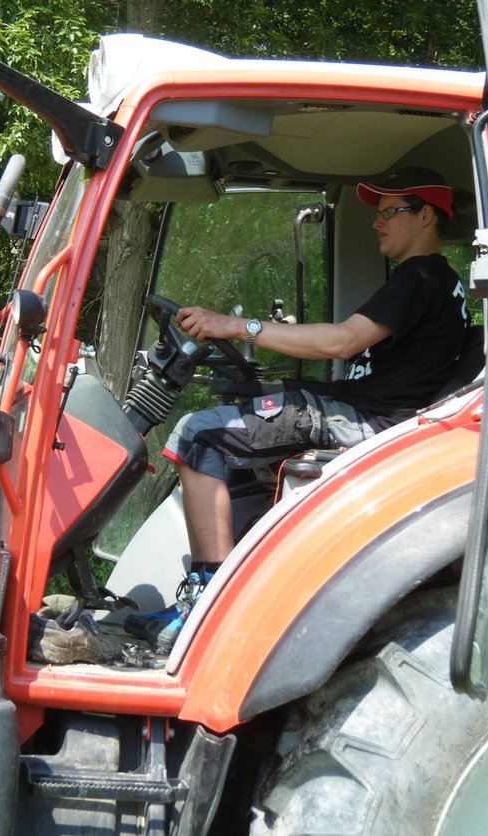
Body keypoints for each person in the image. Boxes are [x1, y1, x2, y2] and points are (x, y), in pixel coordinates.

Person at [125, 167, 469, 651]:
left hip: (367, 424)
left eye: (389, 212)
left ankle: (208, 608)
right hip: (366, 413)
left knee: (198, 434)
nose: (377, 222)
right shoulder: (438, 282)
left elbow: (343, 340)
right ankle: (210, 592)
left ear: (426, 215)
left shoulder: (421, 276)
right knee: (230, 416)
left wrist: (240, 327)